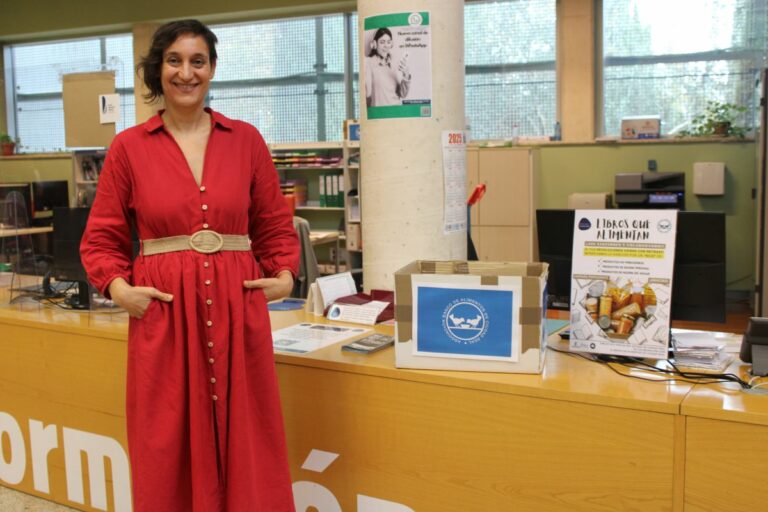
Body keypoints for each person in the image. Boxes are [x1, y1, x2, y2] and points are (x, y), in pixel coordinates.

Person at [80, 19, 299, 512]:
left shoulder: (245, 140)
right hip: (165, 312)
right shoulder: (128, 148)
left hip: (237, 307)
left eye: (197, 61)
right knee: (167, 436)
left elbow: (274, 224)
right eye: (174, 61)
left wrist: (284, 274)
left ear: (213, 69)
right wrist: (119, 289)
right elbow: (102, 237)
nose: (186, 72)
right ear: (158, 71)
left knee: (249, 431)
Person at [365, 27, 411, 107]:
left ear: (391, 44)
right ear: (375, 44)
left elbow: (403, 94)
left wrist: (406, 75)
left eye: (388, 42)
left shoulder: (396, 63)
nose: (386, 46)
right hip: (378, 113)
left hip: (395, 111)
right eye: (382, 42)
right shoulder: (368, 62)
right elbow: (367, 93)